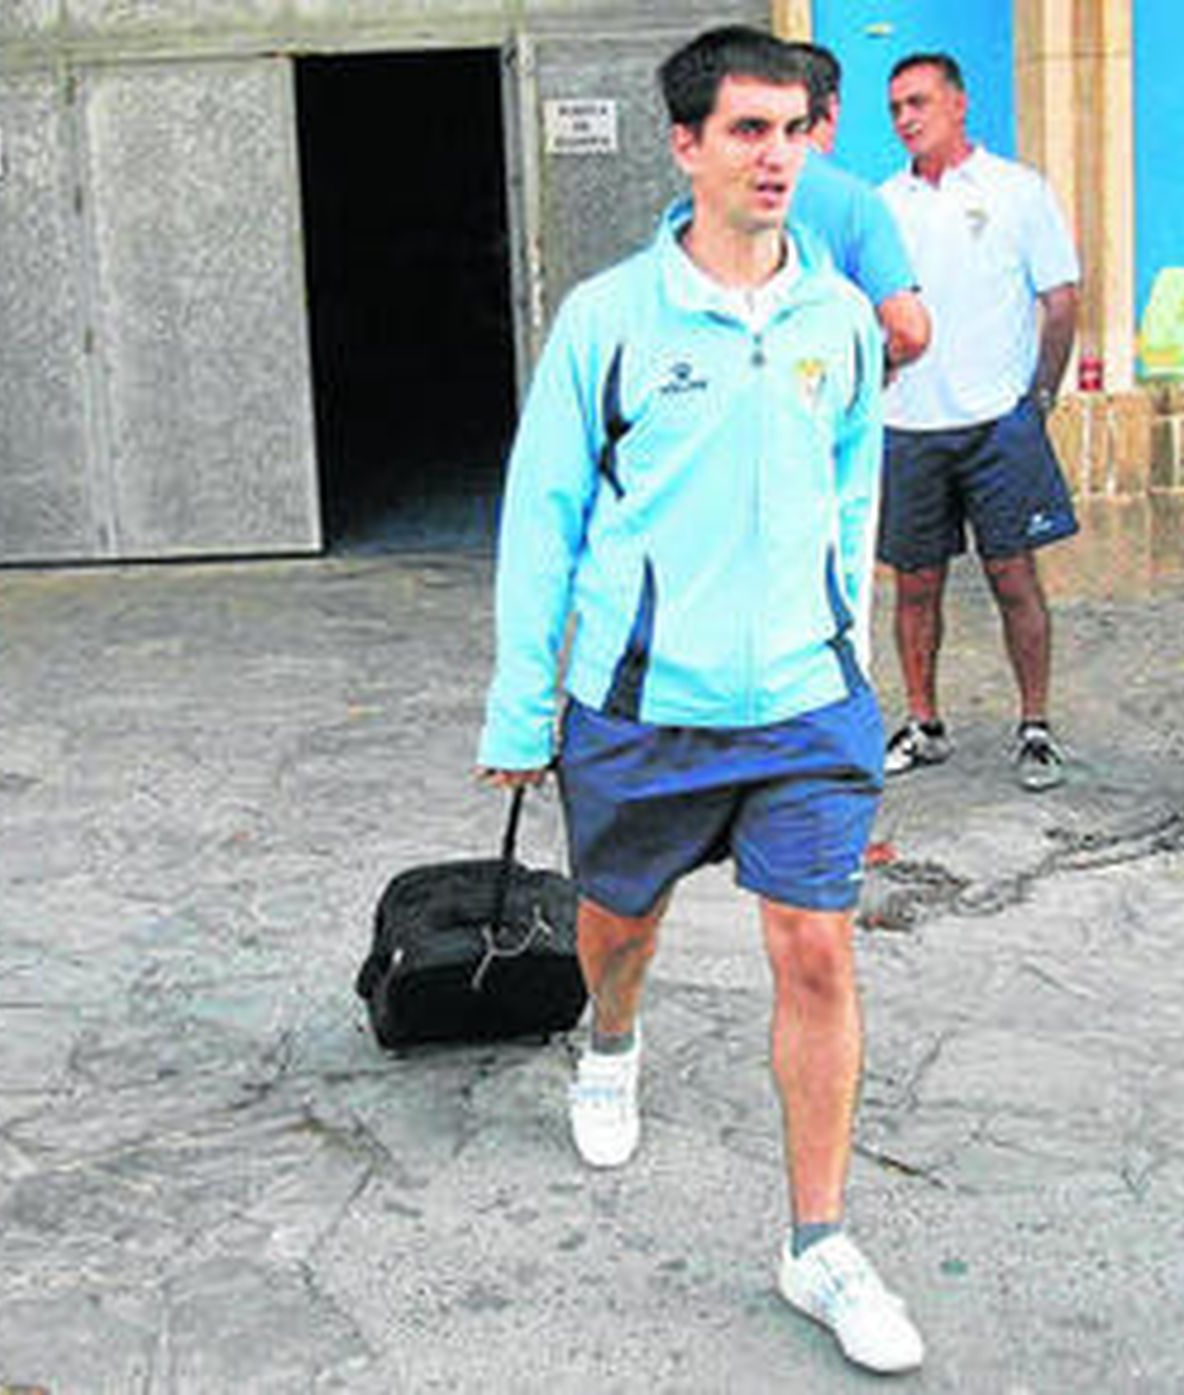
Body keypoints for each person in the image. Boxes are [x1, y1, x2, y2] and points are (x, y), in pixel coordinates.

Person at [474, 26, 924, 1376]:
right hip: (640, 704)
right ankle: (608, 1041)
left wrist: (848, 655)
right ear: (687, 146)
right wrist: (519, 706)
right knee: (621, 925)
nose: (777, 156)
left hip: (804, 705)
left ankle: (819, 1239)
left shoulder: (839, 317)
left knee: (815, 947)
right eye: (748, 131)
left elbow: (855, 496)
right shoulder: (609, 320)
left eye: (794, 130)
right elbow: (543, 515)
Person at [875, 52, 1081, 791]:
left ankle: (1034, 727)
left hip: (1000, 424)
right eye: (896, 107)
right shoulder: (883, 205)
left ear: (959, 104)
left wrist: (1040, 397)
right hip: (908, 427)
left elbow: (1060, 299)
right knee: (914, 585)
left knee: (1013, 576)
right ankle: (924, 724)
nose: (906, 118)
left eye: (919, 102)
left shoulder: (1017, 191)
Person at [789, 42, 931, 375]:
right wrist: (874, 371)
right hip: (829, 405)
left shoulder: (725, 194)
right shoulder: (854, 202)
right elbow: (910, 331)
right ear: (832, 107)